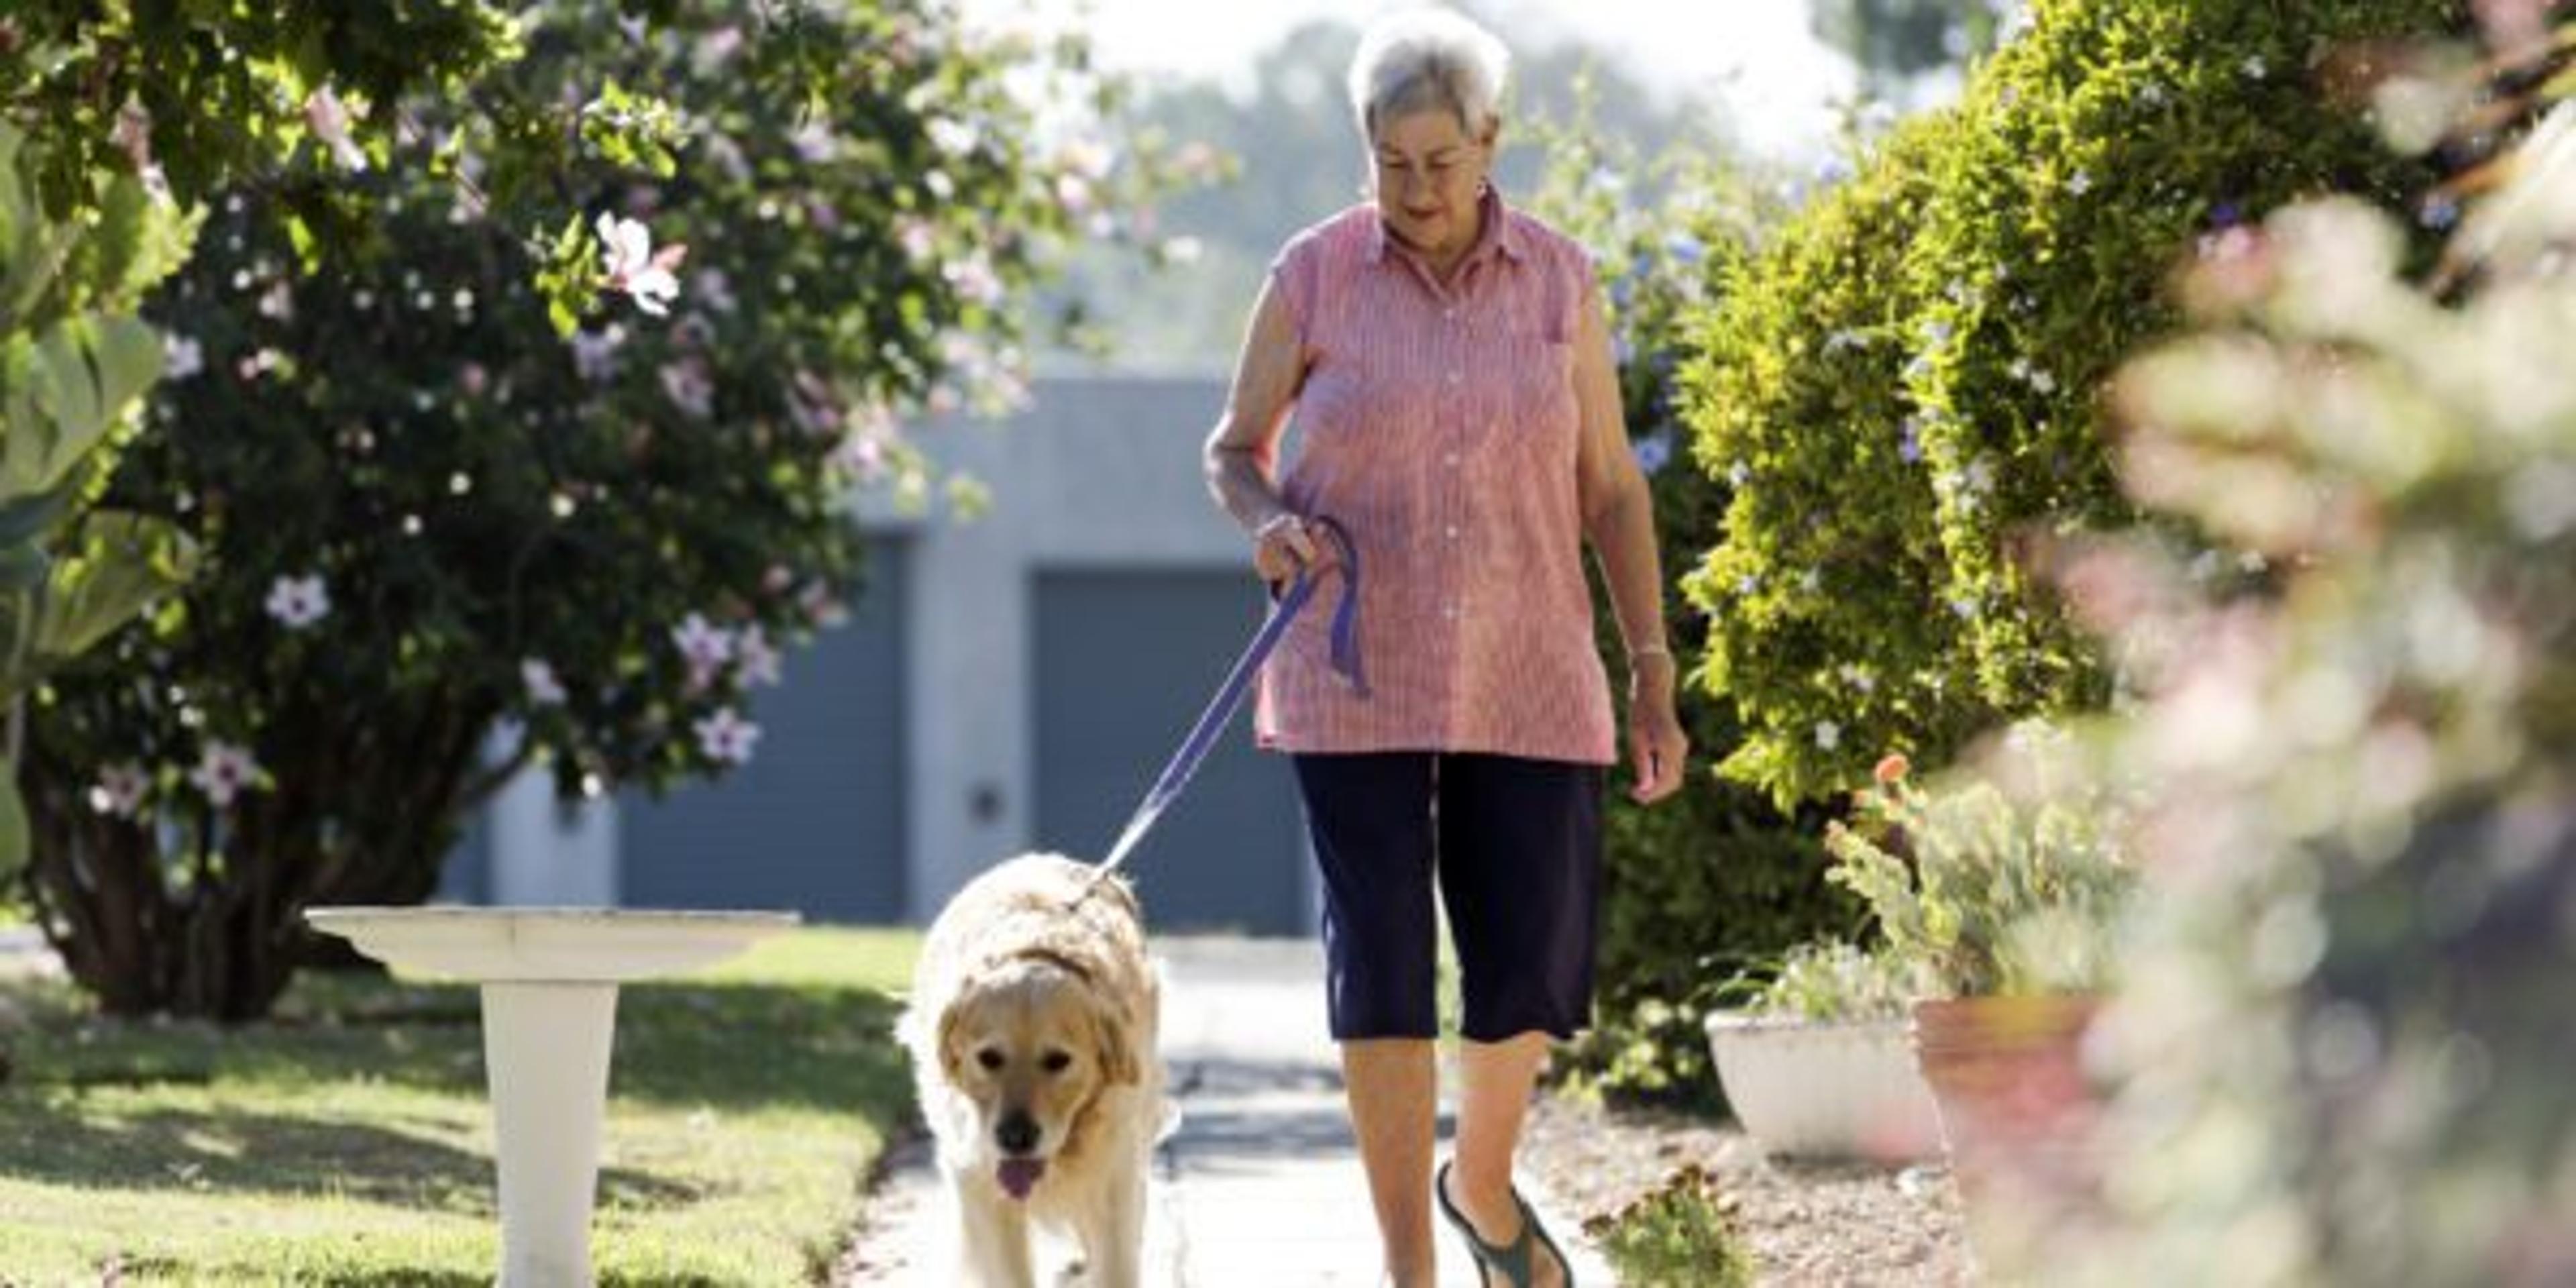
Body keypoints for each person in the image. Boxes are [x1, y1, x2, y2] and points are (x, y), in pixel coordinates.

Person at [1199, 8, 1689, 1286]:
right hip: (1355, 670)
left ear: (1490, 142)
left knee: (1526, 956)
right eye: (1391, 164)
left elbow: (1612, 489)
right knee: (1384, 968)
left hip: (1530, 667)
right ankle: (1410, 1268)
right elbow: (1234, 447)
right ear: (1364, 147)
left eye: (1442, 161)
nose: (1417, 192)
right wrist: (1269, 521)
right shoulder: (1313, 274)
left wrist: (1651, 666)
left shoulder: (1559, 282)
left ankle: (1480, 1185)